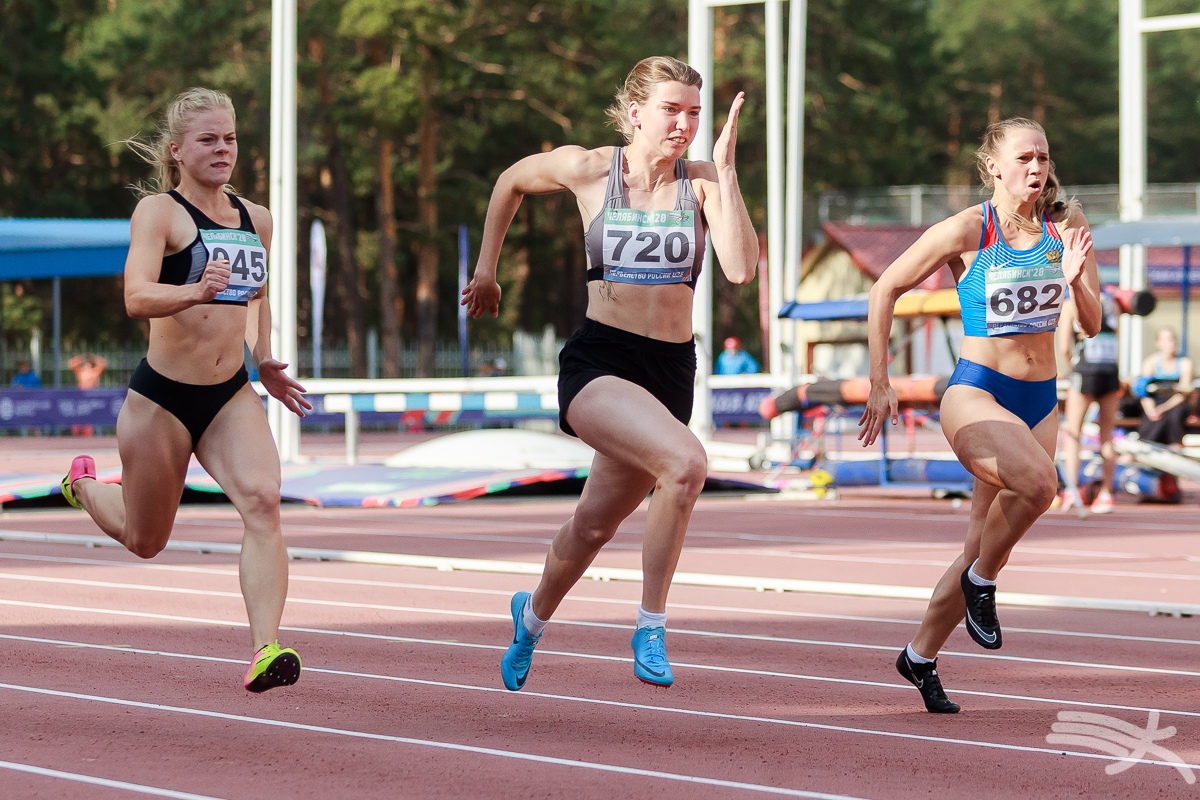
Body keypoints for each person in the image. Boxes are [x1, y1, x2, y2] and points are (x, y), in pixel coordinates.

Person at [462, 56, 757, 690]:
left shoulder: (703, 183)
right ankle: (651, 623)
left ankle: (532, 616)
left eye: (694, 115)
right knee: (686, 465)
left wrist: (728, 175)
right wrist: (488, 268)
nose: (683, 125)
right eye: (671, 111)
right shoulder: (591, 168)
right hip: (600, 361)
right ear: (636, 114)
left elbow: (739, 268)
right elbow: (510, 181)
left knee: (595, 524)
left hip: (670, 370)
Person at [59, 88, 312, 692]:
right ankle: (85, 484)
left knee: (263, 499)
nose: (222, 148)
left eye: (229, 138)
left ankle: (264, 648)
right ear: (177, 150)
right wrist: (193, 291)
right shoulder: (160, 214)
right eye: (208, 139)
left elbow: (258, 297)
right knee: (146, 540)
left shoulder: (258, 219)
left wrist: (265, 358)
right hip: (163, 400)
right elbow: (136, 295)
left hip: (228, 394)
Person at [858, 117, 1100, 713]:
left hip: (1040, 399)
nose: (1037, 168)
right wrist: (879, 381)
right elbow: (884, 288)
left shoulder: (1066, 223)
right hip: (978, 392)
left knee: (977, 546)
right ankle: (983, 585)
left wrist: (1075, 285)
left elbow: (1093, 323)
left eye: (1043, 155)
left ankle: (918, 655)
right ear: (993, 166)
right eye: (1024, 157)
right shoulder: (971, 228)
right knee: (1042, 486)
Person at [1057, 291, 1121, 516]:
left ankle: (1072, 490)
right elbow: (1118, 339)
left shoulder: (1069, 305)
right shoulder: (1112, 304)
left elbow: (1065, 347)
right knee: (1107, 434)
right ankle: (1106, 493)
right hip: (1110, 371)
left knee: (1073, 433)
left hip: (1085, 370)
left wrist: (1070, 370)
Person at [1136, 326, 1194, 450]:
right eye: (1167, 340)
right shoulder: (1150, 362)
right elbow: (1143, 390)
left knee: (1174, 415)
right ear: (1158, 343)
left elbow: (1184, 393)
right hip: (1156, 401)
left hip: (1176, 403)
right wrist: (1150, 409)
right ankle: (1145, 447)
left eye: (1172, 339)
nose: (1171, 343)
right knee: (1152, 418)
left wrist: (1163, 408)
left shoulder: (1185, 363)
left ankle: (1174, 446)